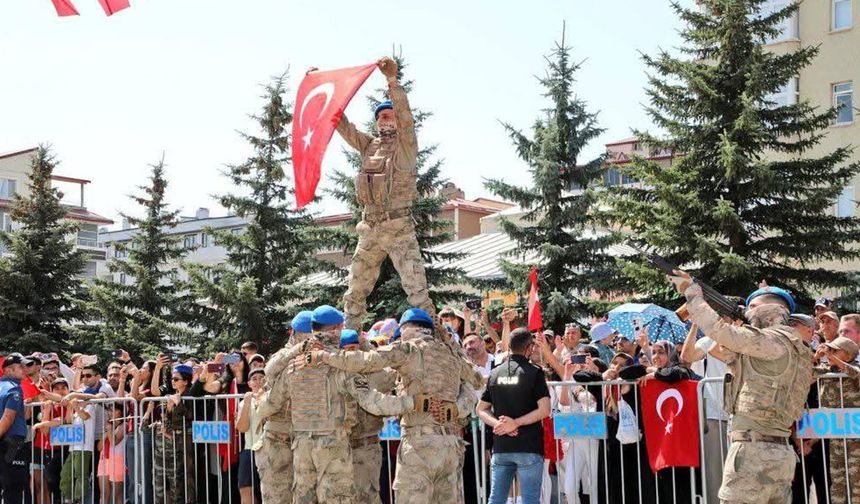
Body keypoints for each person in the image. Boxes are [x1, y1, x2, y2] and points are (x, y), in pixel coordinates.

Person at [299, 307, 483, 503]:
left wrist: (324, 356)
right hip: (450, 447)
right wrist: (457, 409)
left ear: (406, 329)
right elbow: (475, 384)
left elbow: (366, 361)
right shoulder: (451, 356)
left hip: (418, 446)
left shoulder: (407, 349)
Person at [669, 272, 813, 503]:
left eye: (752, 306)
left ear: (770, 312)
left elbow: (718, 331)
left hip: (753, 452)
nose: (747, 311)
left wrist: (692, 293)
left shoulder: (772, 341)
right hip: (778, 451)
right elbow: (721, 350)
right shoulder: (796, 348)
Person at [334, 56, 434, 329]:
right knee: (355, 291)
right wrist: (327, 98)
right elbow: (343, 127)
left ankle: (437, 342)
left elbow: (406, 119)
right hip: (370, 228)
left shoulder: (406, 146)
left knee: (417, 291)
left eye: (388, 115)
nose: (383, 120)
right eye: (379, 117)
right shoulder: (370, 146)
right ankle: (348, 337)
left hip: (398, 227)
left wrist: (392, 81)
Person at [477, 328, 551, 504]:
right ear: (530, 348)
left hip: (502, 446)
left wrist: (499, 424)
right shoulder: (534, 372)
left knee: (496, 498)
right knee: (530, 499)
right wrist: (514, 424)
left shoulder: (495, 373)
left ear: (509, 346)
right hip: (529, 446)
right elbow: (545, 409)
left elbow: (481, 409)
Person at [255, 310, 315, 504]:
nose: (309, 339)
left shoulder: (315, 357)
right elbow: (269, 369)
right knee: (277, 498)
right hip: (277, 441)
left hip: (305, 441)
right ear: (295, 334)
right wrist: (296, 351)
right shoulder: (284, 355)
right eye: (305, 335)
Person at [680, 321, 731, 504]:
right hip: (715, 415)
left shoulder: (745, 339)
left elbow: (723, 353)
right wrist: (695, 324)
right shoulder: (708, 340)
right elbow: (687, 356)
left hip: (742, 415)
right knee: (715, 472)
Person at [813, 336, 860, 504]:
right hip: (836, 434)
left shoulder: (853, 368)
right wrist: (815, 358)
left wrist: (834, 360)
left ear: (847, 355)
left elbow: (855, 373)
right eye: (829, 350)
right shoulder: (827, 369)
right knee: (837, 481)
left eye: (835, 350)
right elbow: (807, 373)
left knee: (856, 482)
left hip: (855, 436)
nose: (830, 353)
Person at [789, 314, 830, 504]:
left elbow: (832, 414)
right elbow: (788, 411)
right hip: (797, 442)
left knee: (825, 488)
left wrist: (811, 442)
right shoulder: (793, 378)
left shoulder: (826, 380)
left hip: (821, 442)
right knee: (798, 491)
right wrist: (799, 443)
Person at [0, 354, 29, 504]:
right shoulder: (14, 389)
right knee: (13, 490)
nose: (25, 370)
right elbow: (7, 418)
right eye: (21, 367)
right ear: (9, 370)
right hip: (11, 445)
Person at [236, 368, 265, 504]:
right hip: (249, 450)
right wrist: (247, 403)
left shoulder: (274, 399)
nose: (258, 381)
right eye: (254, 379)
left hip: (268, 449)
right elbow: (242, 428)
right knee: (245, 488)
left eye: (262, 378)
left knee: (267, 489)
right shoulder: (243, 403)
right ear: (249, 383)